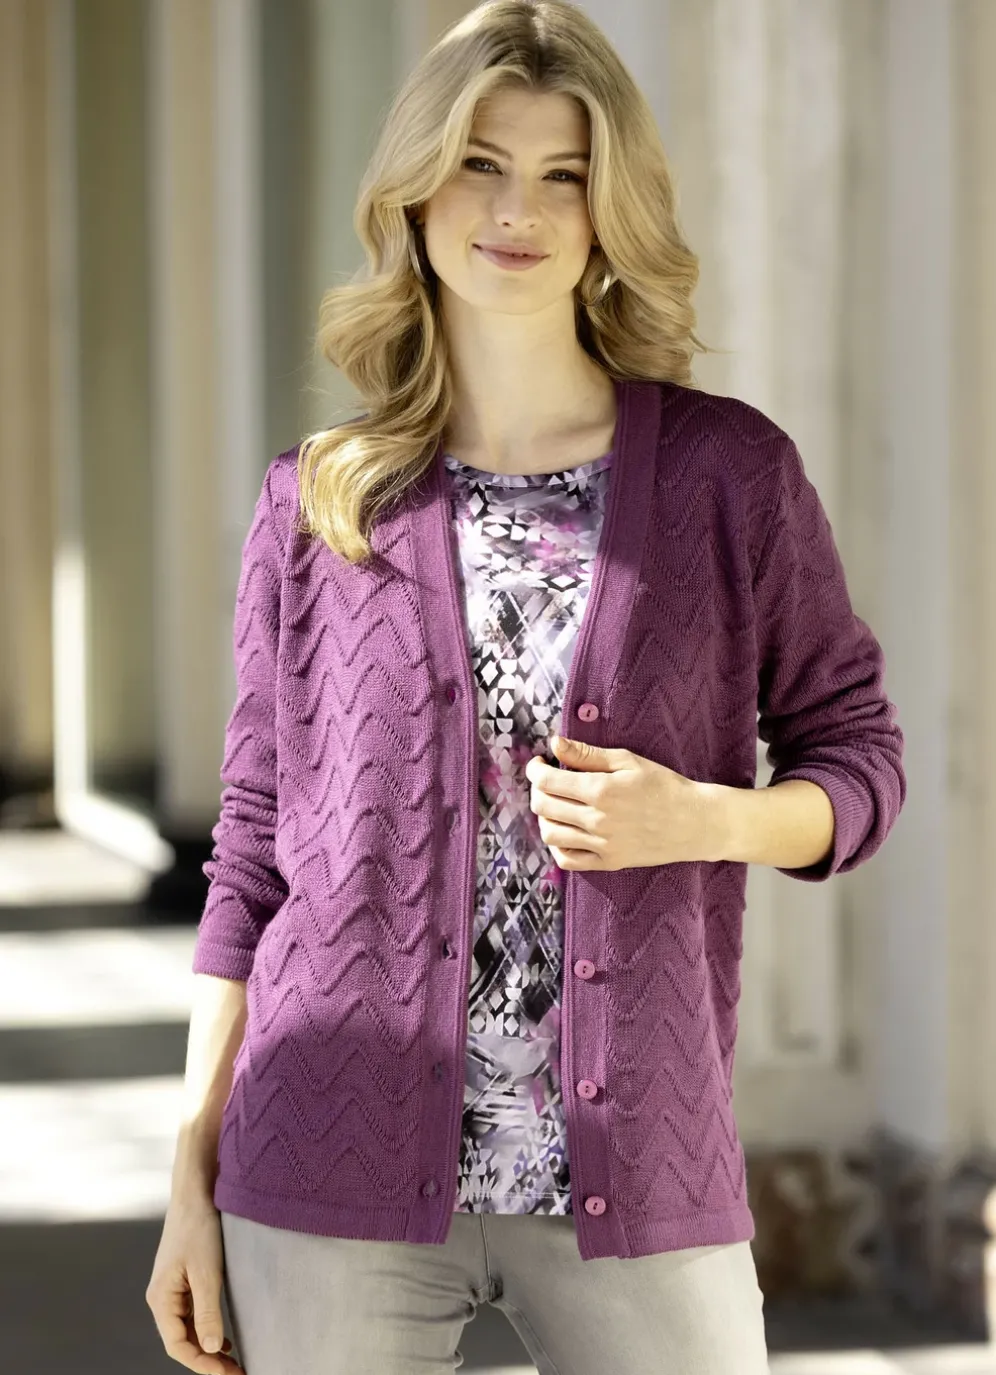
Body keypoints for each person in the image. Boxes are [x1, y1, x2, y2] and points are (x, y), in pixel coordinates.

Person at [146, 2, 907, 1372]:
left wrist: (705, 818)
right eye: (481, 164)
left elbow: (858, 757)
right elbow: (253, 854)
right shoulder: (318, 502)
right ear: (416, 191)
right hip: (323, 1161)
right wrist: (189, 1173)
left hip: (641, 1160)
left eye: (566, 174)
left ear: (611, 210)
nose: (519, 209)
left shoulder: (730, 477)